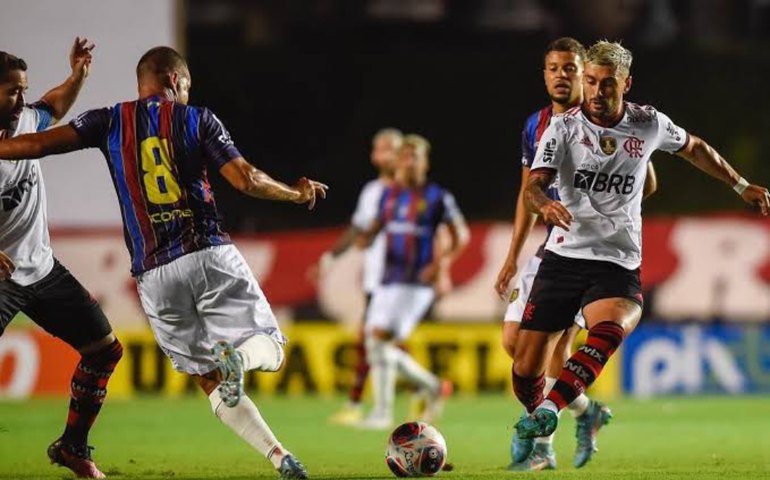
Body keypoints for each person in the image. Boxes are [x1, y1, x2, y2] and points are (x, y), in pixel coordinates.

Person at [0, 46, 329, 480]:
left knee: (193, 374)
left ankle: (279, 457)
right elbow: (245, 179)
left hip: (149, 275)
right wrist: (297, 193)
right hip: (207, 251)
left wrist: (73, 81)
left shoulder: (108, 119)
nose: (188, 94)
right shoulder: (197, 119)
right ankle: (243, 360)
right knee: (268, 346)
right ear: (176, 82)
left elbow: (39, 139)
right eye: (187, 86)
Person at [510, 41, 770, 458]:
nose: (595, 91)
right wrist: (545, 204)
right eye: (590, 81)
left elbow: (695, 148)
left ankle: (548, 417)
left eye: (606, 83)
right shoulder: (563, 128)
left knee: (611, 328)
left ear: (626, 84)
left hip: (617, 260)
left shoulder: (647, 123)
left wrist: (740, 185)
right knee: (523, 368)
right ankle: (559, 418)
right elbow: (533, 187)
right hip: (563, 257)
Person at [495, 37, 657, 471]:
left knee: (560, 347)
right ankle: (587, 411)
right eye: (553, 68)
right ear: (544, 74)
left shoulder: (622, 123)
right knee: (517, 347)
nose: (561, 76)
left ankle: (543, 445)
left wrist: (611, 203)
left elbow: (648, 178)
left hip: (595, 252)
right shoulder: (539, 124)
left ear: (588, 76)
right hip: (552, 245)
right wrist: (513, 255)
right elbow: (527, 190)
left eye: (570, 69)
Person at [0, 39, 123, 479]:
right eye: (11, 90)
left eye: (22, 89)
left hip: (41, 268)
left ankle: (72, 446)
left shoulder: (27, 121)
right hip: (2, 277)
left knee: (104, 350)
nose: (20, 99)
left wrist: (77, 78)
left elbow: (52, 104)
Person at [356, 134, 469, 430]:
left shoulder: (437, 196)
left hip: (417, 281)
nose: (408, 161)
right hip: (387, 279)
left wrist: (441, 265)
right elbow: (379, 223)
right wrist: (366, 236)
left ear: (425, 162)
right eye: (405, 155)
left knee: (380, 339)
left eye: (415, 155)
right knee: (375, 344)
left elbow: (461, 234)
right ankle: (430, 387)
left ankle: (384, 412)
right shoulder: (388, 195)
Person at [316, 128, 402, 425]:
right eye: (380, 149)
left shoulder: (412, 190)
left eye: (390, 148)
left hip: (400, 277)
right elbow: (357, 230)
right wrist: (329, 257)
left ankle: (361, 405)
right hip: (376, 277)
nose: (385, 154)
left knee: (372, 340)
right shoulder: (372, 191)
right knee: (378, 342)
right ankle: (430, 388)